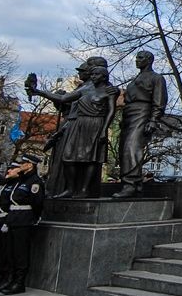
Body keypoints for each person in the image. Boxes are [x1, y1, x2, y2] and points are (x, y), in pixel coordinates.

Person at [27, 64, 117, 198]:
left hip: (95, 124)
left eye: (96, 74)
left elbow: (111, 111)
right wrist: (38, 91)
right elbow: (63, 99)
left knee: (91, 159)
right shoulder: (85, 89)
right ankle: (70, 189)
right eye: (92, 74)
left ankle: (84, 190)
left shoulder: (110, 91)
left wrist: (104, 130)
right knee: (68, 157)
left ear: (104, 77)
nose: (92, 76)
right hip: (79, 124)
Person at [115, 51, 168, 198]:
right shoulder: (135, 79)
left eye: (140, 58)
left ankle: (130, 183)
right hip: (129, 114)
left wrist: (153, 120)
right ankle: (135, 184)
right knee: (123, 149)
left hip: (142, 113)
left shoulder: (157, 78)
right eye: (137, 57)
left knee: (131, 148)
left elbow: (159, 101)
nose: (136, 60)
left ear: (149, 60)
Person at [1, 154, 45, 295]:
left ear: (30, 165)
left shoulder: (35, 182)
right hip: (13, 219)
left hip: (24, 220)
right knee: (11, 252)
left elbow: (37, 203)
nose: (20, 165)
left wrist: (33, 219)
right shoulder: (20, 180)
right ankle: (11, 279)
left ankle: (19, 283)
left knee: (21, 253)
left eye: (23, 163)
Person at [0, 161, 21, 292]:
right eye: (9, 169)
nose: (8, 171)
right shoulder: (6, 184)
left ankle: (8, 278)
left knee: (7, 252)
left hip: (8, 220)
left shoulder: (17, 185)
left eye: (12, 169)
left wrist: (7, 221)